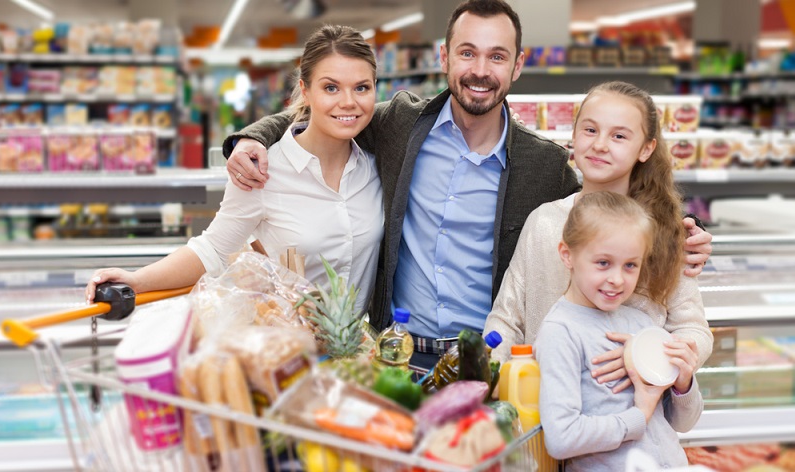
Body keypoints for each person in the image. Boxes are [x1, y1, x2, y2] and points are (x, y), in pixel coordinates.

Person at [221, 0, 712, 368]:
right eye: (468, 53)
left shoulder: (543, 166)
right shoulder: (399, 126)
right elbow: (327, 114)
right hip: (393, 352)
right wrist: (249, 138)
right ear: (445, 57)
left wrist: (673, 235)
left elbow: (606, 210)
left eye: (497, 56)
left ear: (518, 65)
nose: (480, 70)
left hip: (489, 359)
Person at [84, 25, 384, 315]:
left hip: (360, 355)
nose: (348, 102)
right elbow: (212, 249)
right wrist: (137, 279)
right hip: (288, 352)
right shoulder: (261, 170)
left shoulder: (377, 166)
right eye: (331, 87)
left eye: (361, 88)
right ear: (304, 90)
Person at [485, 81, 713, 392]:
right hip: (541, 412)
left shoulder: (663, 231)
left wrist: (645, 356)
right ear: (573, 136)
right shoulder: (544, 221)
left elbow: (693, 330)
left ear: (646, 148)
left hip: (630, 414)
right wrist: (497, 391)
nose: (600, 145)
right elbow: (506, 320)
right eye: (590, 130)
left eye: (619, 136)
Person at [536, 191, 702, 471]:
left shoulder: (641, 324)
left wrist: (683, 384)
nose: (616, 279)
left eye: (630, 265)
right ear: (567, 255)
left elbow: (682, 423)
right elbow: (561, 437)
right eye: (603, 263)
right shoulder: (560, 331)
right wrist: (638, 416)